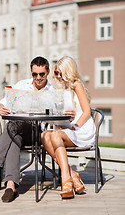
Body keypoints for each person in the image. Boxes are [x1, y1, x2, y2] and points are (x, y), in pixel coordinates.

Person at [0, 56, 75, 203]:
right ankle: (11, 185)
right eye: (34, 74)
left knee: (13, 125)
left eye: (42, 74)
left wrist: (66, 114)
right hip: (19, 131)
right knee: (14, 136)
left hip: (40, 134)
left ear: (48, 72)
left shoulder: (54, 90)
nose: (38, 78)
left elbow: (59, 118)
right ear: (31, 72)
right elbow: (3, 103)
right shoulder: (22, 85)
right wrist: (0, 108)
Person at [41, 56, 96, 199]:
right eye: (56, 73)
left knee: (55, 135)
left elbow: (86, 112)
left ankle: (66, 180)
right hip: (69, 128)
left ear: (68, 72)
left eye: (60, 73)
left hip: (81, 129)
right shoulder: (63, 89)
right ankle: (73, 174)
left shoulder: (76, 84)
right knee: (44, 135)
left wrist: (75, 126)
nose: (58, 76)